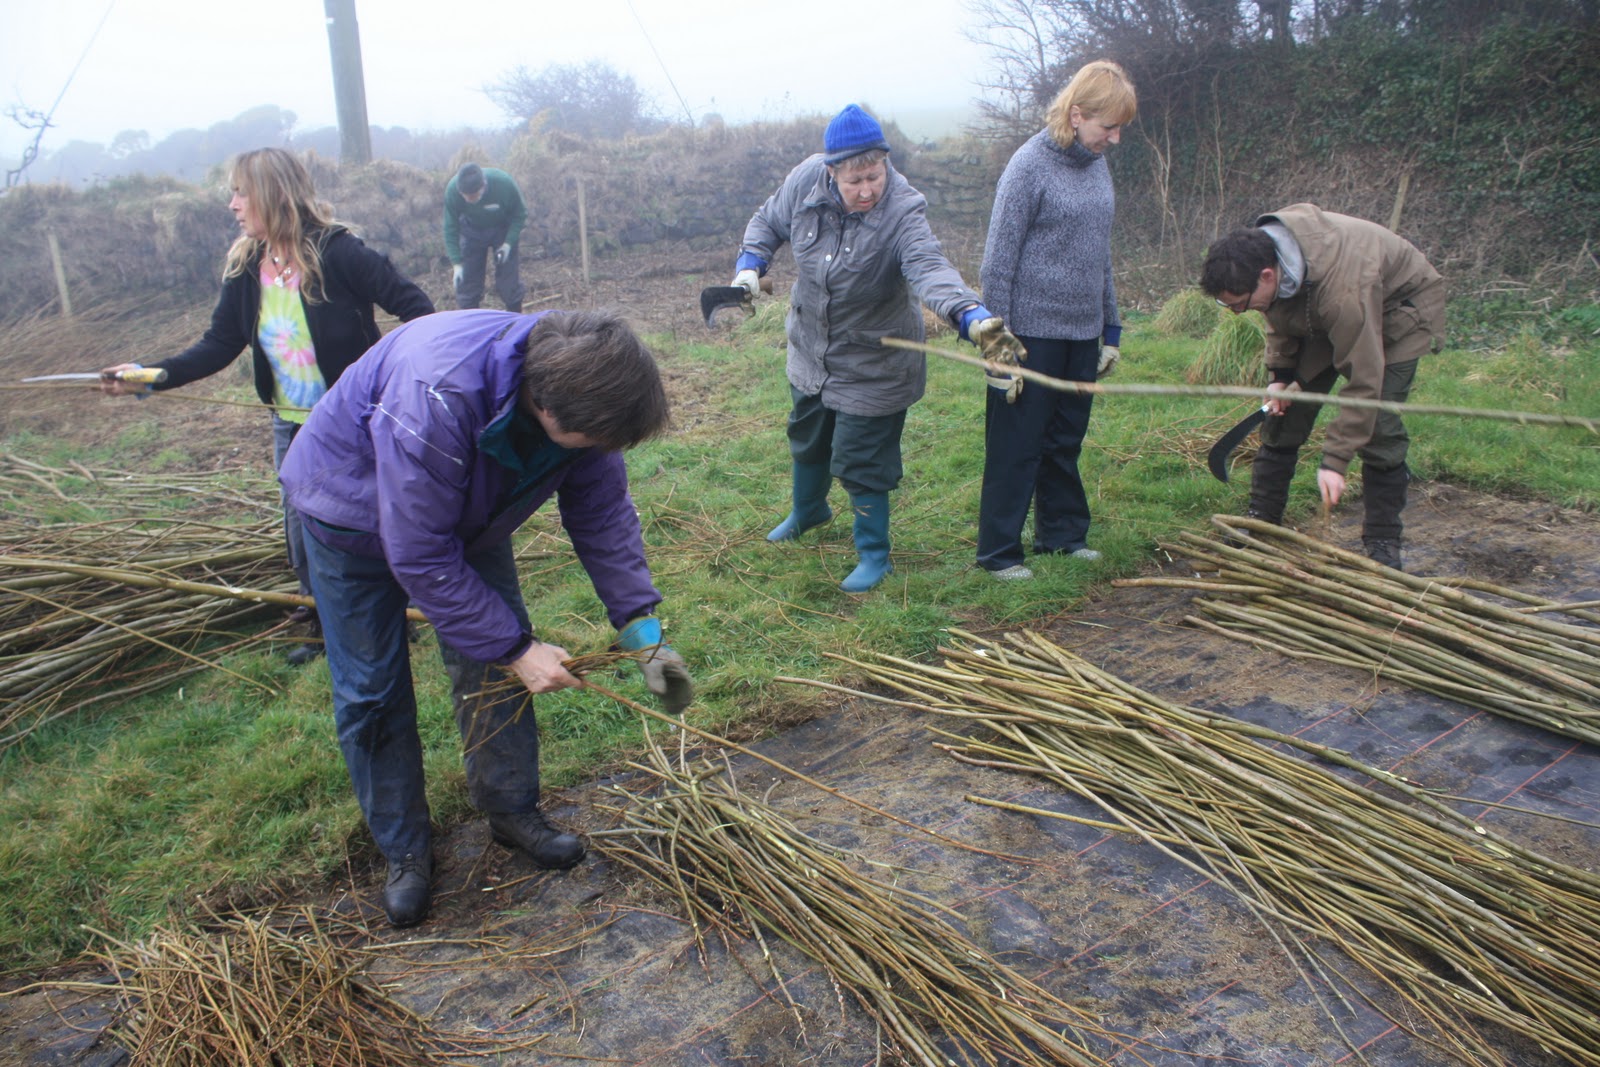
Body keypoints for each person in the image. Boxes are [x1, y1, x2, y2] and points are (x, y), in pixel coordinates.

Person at [278, 308, 694, 928]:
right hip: (349, 511)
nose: (601, 451)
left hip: (470, 507)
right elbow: (419, 551)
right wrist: (519, 649)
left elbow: (601, 513)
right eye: (592, 440)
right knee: (372, 689)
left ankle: (511, 810)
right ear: (545, 408)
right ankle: (406, 850)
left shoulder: (584, 387)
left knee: (493, 667)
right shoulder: (436, 397)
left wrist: (641, 626)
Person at [101, 147, 434, 664]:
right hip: (292, 426)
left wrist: (389, 382)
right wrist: (150, 376)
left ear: (273, 194)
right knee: (303, 533)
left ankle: (391, 614)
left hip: (352, 423)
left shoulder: (340, 254)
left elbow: (417, 312)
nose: (233, 204)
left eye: (240, 192)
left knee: (368, 521)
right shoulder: (247, 266)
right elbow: (218, 344)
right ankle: (324, 626)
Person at [732, 103, 1025, 593]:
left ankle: (874, 554)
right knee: (807, 435)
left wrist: (973, 318)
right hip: (812, 346)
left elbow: (930, 268)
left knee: (862, 457)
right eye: (855, 181)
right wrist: (750, 264)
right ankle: (809, 510)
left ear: (885, 163)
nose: (867, 189)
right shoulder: (806, 180)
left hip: (876, 361)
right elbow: (768, 221)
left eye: (875, 175)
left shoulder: (903, 210)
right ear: (831, 172)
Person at [1200, 204, 1445, 570]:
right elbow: (1278, 317)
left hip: (1398, 313)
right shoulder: (1266, 254)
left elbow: (1365, 380)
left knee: (1377, 427)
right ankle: (1262, 521)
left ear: (1267, 277)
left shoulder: (1343, 293)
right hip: (1324, 310)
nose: (1237, 312)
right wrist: (1281, 376)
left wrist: (1335, 460)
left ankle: (1382, 541)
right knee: (1285, 412)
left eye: (1239, 305)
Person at [975, 60, 1137, 581]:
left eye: (1119, 129)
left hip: (1081, 333)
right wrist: (997, 346)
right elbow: (997, 262)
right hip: (1029, 336)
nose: (1113, 139)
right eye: (1106, 127)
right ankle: (999, 552)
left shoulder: (1096, 164)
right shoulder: (1027, 167)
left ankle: (1062, 536)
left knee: (1065, 440)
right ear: (1076, 113)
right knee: (1016, 445)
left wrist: (1109, 329)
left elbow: (1100, 253)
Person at [444, 162, 528, 312]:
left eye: (473, 196)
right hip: (472, 231)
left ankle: (515, 321)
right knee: (468, 285)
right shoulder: (452, 190)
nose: (469, 200)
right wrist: (456, 263)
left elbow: (520, 214)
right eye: (465, 197)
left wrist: (508, 244)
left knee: (509, 284)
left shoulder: (504, 184)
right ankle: (470, 324)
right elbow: (450, 228)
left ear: (483, 186)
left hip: (503, 229)